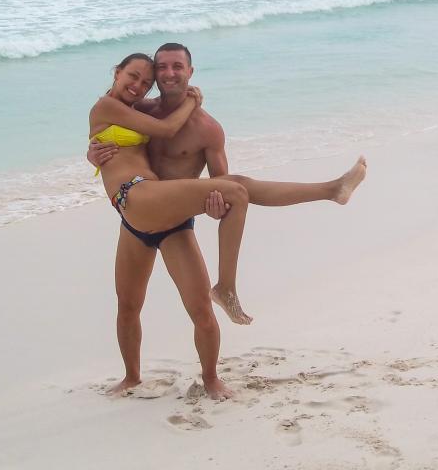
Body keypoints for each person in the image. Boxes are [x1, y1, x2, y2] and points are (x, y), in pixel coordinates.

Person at [88, 44, 366, 399]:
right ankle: (132, 376)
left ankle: (210, 378)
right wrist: (91, 151)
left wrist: (218, 209)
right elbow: (133, 131)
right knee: (127, 305)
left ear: (191, 72)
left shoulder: (206, 129)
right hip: (135, 206)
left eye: (176, 68)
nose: (148, 81)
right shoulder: (136, 109)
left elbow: (222, 180)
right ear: (118, 73)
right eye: (148, 73)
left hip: (171, 221)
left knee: (204, 302)